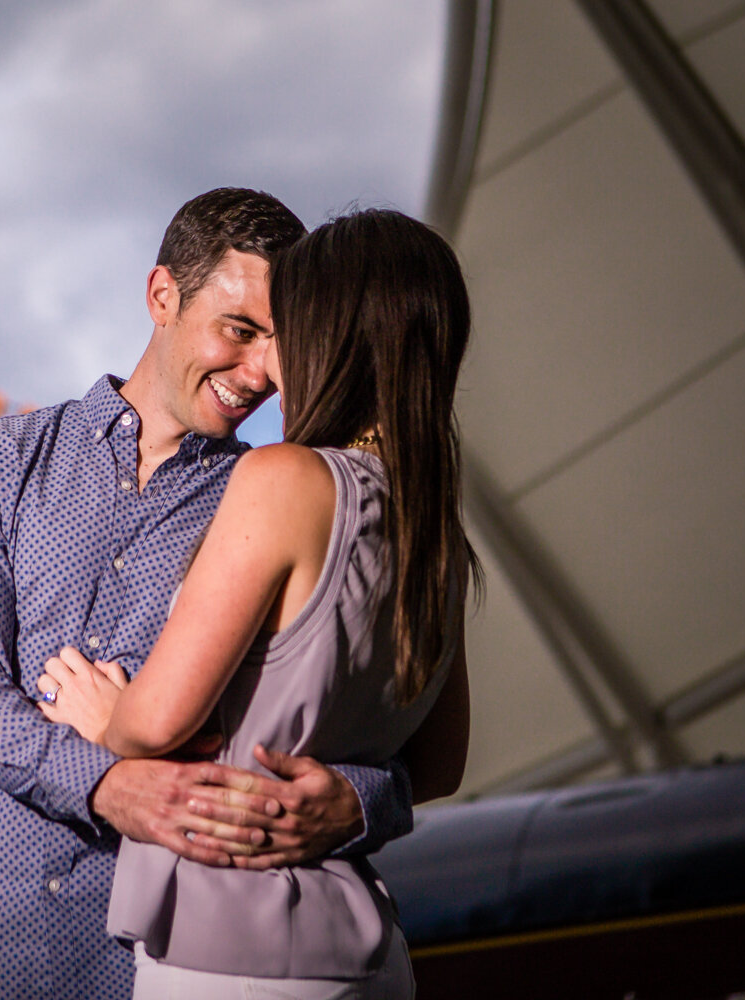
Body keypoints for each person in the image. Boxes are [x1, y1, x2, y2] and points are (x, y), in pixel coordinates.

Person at [0, 190, 445, 1000]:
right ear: (162, 297)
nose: (259, 373)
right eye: (240, 330)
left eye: (279, 342)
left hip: (153, 967)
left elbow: (362, 732)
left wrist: (361, 804)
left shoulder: (276, 501)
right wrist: (111, 786)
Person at [38, 208, 477, 998]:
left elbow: (157, 722)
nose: (270, 363)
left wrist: (102, 712)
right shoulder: (433, 522)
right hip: (368, 954)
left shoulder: (283, 479)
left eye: (285, 328)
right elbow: (439, 764)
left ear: (329, 333)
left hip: (233, 947)